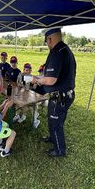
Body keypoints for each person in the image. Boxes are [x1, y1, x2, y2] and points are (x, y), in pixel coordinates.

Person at [32, 26, 76, 157]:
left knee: (56, 122)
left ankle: (59, 150)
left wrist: (37, 80)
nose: (47, 45)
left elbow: (50, 80)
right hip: (64, 94)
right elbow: (55, 76)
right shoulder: (65, 50)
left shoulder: (56, 52)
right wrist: (39, 77)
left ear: (49, 39)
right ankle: (53, 138)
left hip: (60, 97)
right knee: (53, 120)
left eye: (46, 41)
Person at [14, 63, 40, 128]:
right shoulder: (21, 75)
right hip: (21, 92)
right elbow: (18, 84)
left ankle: (25, 116)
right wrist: (23, 86)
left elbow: (33, 88)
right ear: (24, 70)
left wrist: (35, 84)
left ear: (31, 70)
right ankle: (17, 115)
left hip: (29, 94)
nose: (27, 71)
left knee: (29, 104)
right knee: (17, 101)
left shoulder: (32, 77)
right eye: (26, 70)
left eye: (29, 70)